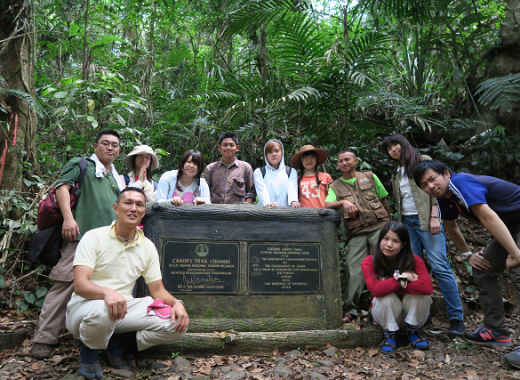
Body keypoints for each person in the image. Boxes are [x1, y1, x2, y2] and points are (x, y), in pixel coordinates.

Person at [66, 187, 189, 379]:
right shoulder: (94, 237)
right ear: (116, 208)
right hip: (85, 307)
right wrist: (106, 293)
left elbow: (157, 291)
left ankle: (119, 344)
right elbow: (80, 285)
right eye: (128, 203)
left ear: (144, 210)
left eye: (139, 204)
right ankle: (89, 356)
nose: (133, 208)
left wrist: (177, 304)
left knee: (176, 323)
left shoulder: (147, 246)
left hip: (124, 308)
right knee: (103, 311)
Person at [31, 130, 126, 359]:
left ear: (119, 150)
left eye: (114, 145)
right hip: (82, 239)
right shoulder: (82, 165)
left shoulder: (116, 176)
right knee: (65, 283)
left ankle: (94, 339)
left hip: (110, 243)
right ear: (95, 146)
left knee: (104, 287)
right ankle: (44, 339)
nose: (110, 148)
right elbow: (62, 187)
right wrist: (68, 218)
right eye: (105, 143)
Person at [413, 160, 520, 354]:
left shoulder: (460, 182)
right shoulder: (445, 198)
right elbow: (451, 226)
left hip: (513, 221)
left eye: (432, 179)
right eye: (424, 185)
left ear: (446, 174)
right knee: (482, 268)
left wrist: (515, 254)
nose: (430, 186)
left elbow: (488, 217)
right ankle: (495, 330)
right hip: (509, 226)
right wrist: (467, 254)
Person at [382, 134, 465, 336]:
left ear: (405, 144)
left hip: (428, 221)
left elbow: (441, 191)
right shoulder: (397, 173)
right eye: (389, 149)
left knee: (439, 266)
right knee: (415, 268)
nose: (393, 150)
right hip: (407, 224)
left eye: (396, 145)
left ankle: (456, 318)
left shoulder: (424, 162)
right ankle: (421, 316)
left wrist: (436, 216)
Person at [325, 149, 390, 320]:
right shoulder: (335, 186)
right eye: (340, 161)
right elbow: (327, 203)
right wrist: (343, 202)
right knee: (353, 268)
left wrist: (389, 226)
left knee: (382, 265)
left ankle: (381, 306)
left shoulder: (369, 176)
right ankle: (351, 309)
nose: (343, 163)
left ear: (355, 161)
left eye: (347, 159)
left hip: (379, 227)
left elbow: (383, 199)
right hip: (357, 232)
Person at [362, 222, 433, 353]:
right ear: (380, 240)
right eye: (386, 239)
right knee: (385, 297)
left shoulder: (415, 260)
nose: (389, 244)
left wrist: (386, 284)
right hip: (385, 315)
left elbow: (428, 288)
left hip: (410, 314)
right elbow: (375, 290)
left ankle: (413, 332)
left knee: (421, 296)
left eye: (395, 241)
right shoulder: (370, 261)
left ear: (404, 244)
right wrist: (402, 280)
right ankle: (390, 335)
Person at [203, 131, 255, 204]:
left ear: (237, 148)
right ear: (219, 148)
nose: (228, 147)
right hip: (215, 212)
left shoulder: (245, 168)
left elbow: (251, 192)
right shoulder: (210, 169)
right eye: (225, 145)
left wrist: (246, 205)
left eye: (231, 145)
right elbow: (204, 191)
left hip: (238, 212)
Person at [254, 139, 300, 208]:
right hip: (265, 213)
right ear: (266, 155)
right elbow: (262, 191)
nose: (274, 154)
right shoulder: (259, 172)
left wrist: (293, 201)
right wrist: (268, 204)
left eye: (276, 151)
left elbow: (292, 189)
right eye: (270, 152)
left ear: (282, 153)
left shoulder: (291, 171)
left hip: (286, 214)